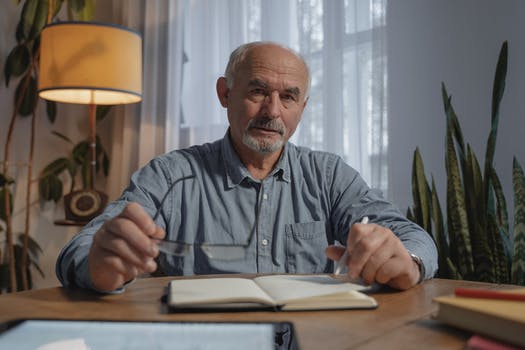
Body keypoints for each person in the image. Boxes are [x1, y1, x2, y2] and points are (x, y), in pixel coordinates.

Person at [56, 41, 438, 293]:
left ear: (302, 108)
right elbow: (80, 250)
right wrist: (101, 266)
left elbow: (411, 236)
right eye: (258, 91)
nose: (273, 111)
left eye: (288, 97)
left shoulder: (329, 176)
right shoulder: (170, 175)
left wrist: (408, 260)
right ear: (225, 93)